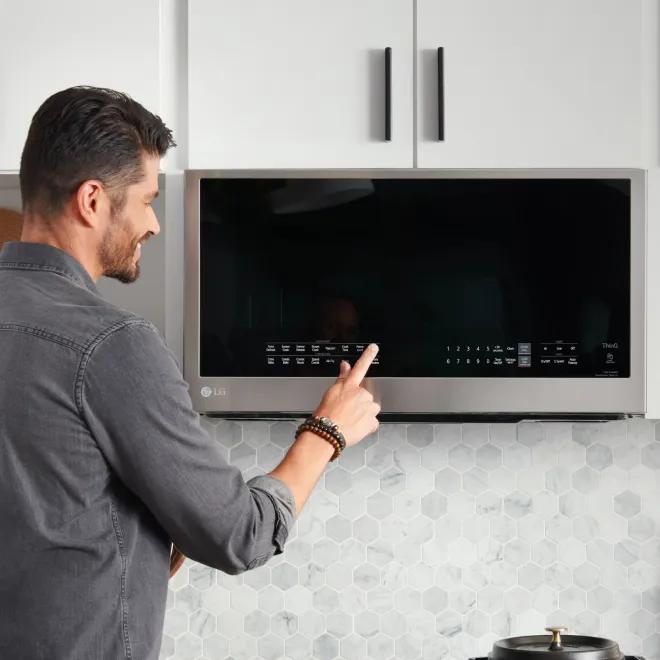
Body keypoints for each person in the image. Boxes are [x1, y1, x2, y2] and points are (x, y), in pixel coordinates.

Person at [0, 86, 380, 660]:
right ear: (93, 200)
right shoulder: (111, 345)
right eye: (148, 199)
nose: (154, 223)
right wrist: (327, 432)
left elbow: (40, 512)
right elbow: (240, 535)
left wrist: (139, 539)